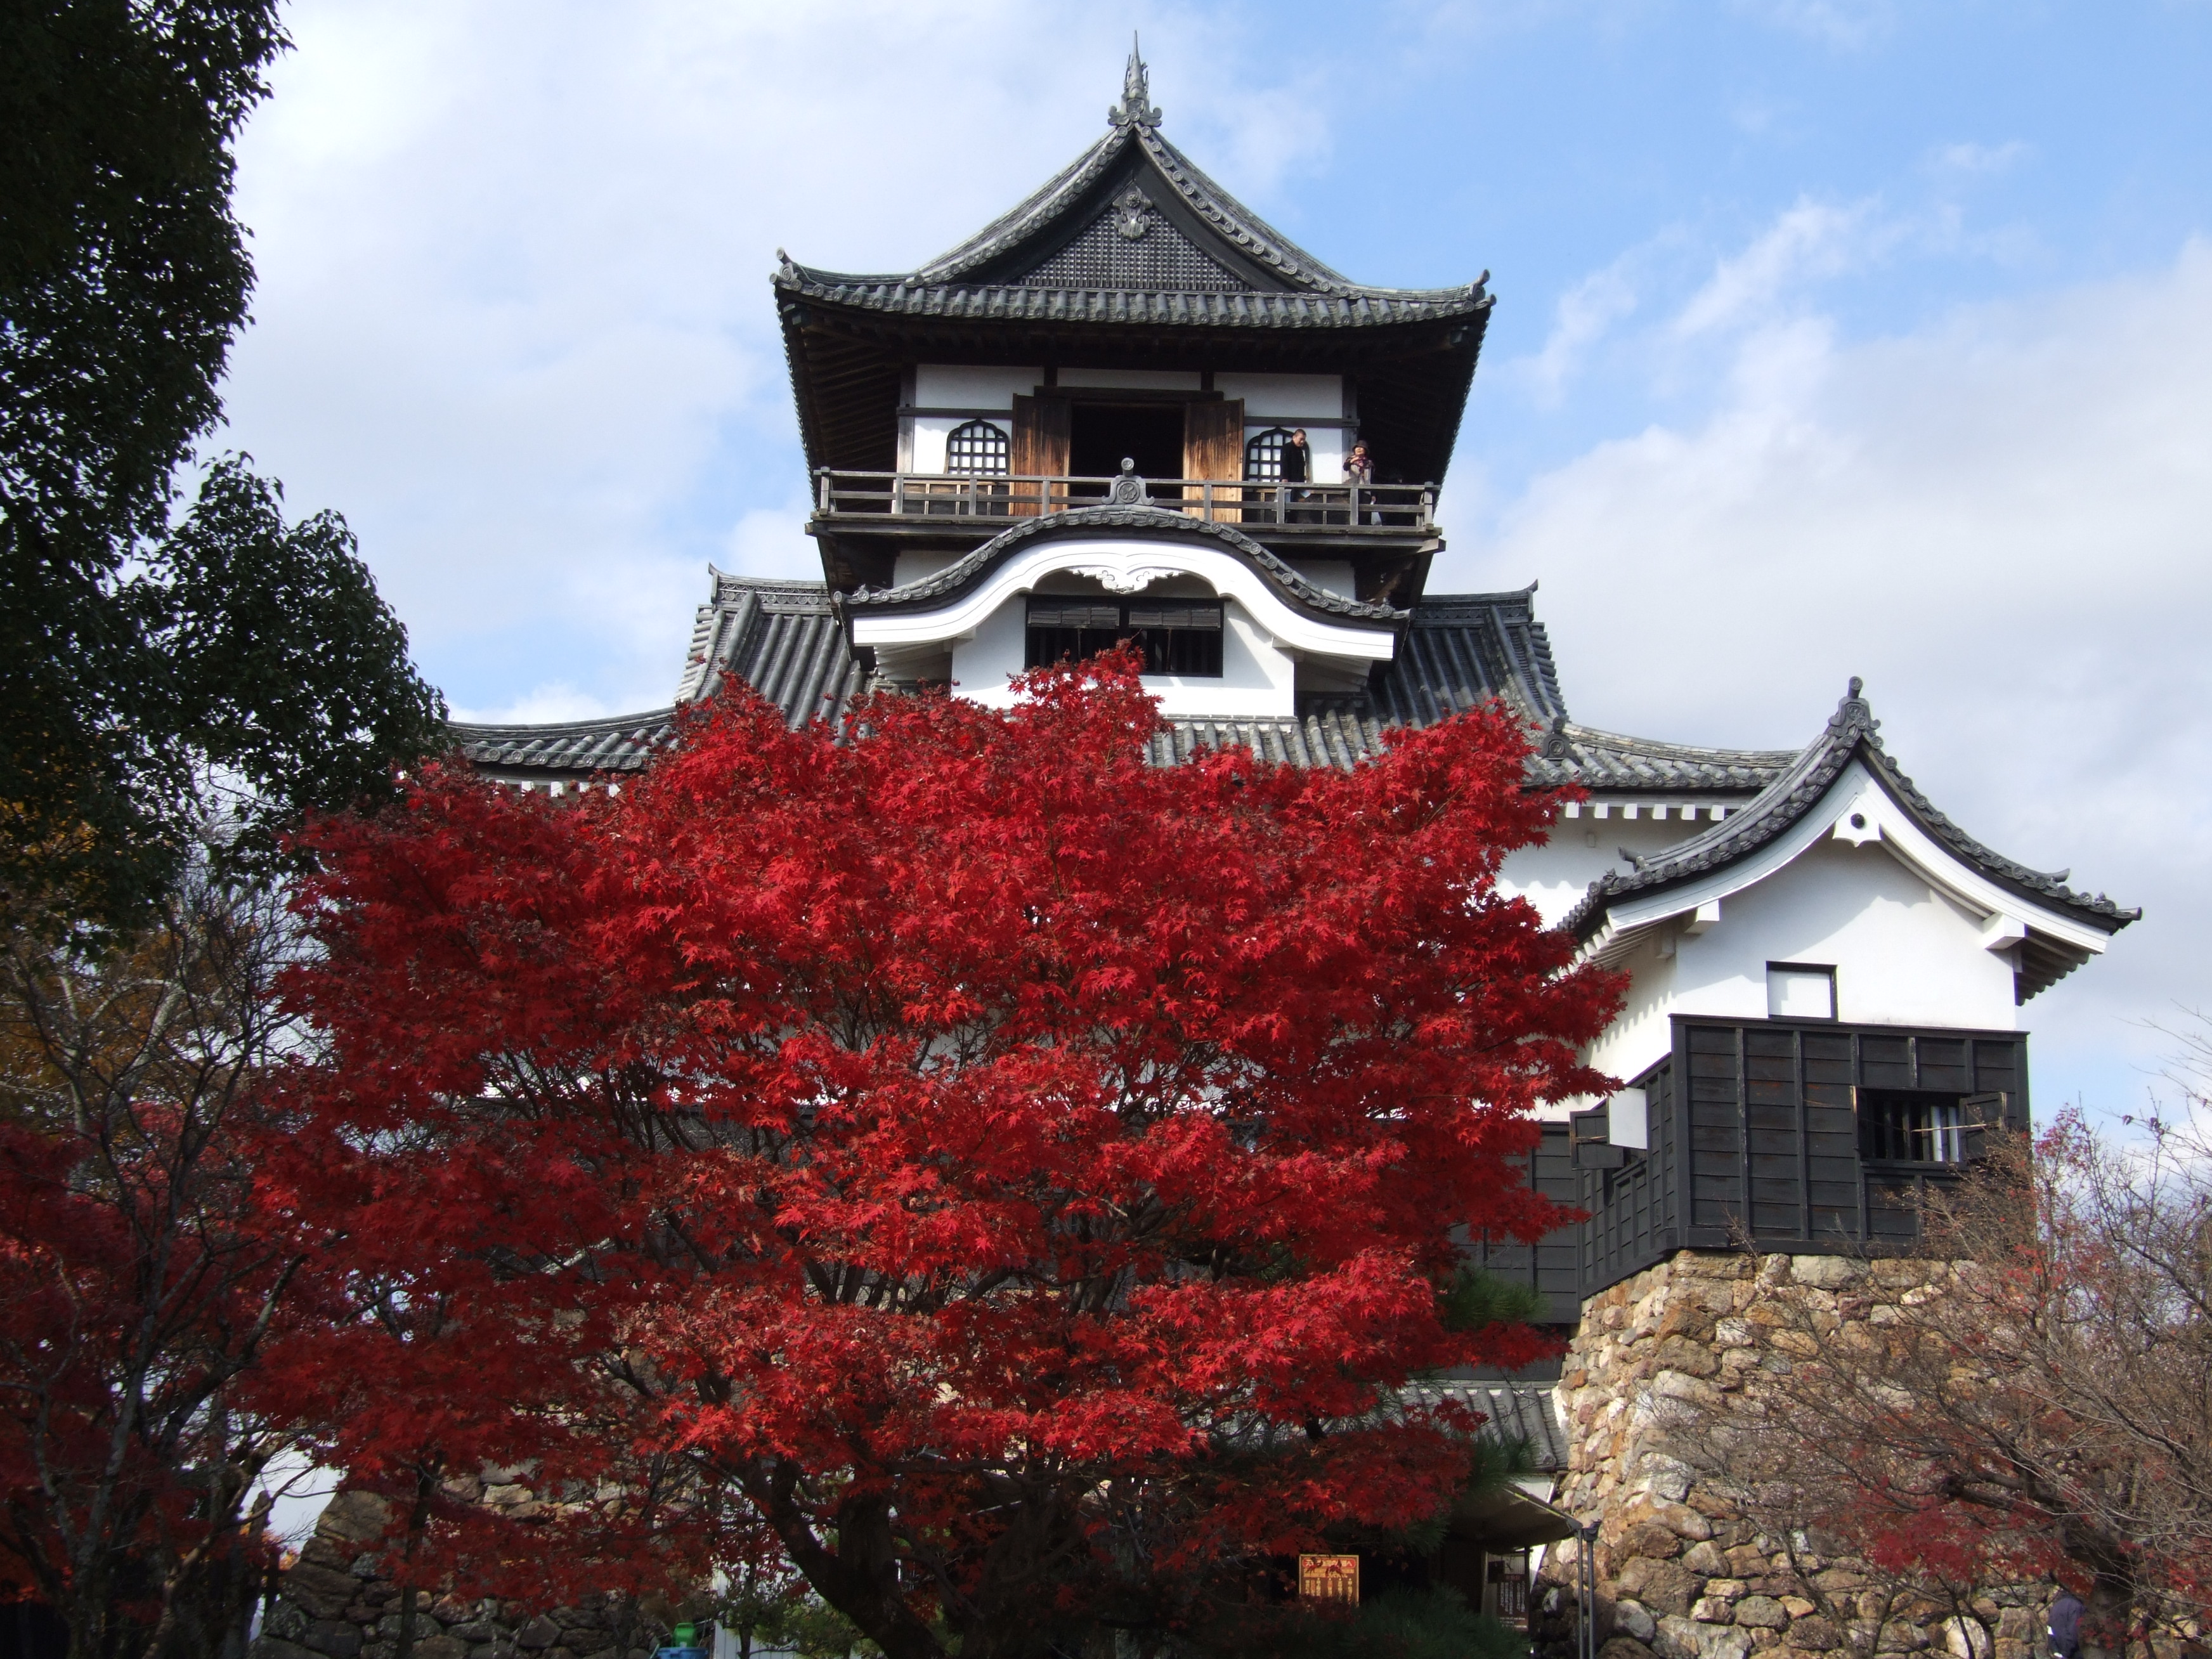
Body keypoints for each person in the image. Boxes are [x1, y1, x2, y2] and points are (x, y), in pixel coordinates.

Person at [1280, 428, 1311, 521]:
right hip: (1288, 481)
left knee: (1294, 506)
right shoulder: (1287, 447)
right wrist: (1284, 478)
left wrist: (1302, 483)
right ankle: (1280, 524)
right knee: (1284, 505)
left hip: (1298, 482)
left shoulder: (1300, 451)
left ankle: (1292, 523)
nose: (1302, 442)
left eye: (1304, 440)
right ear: (1294, 437)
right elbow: (1284, 463)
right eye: (1301, 439)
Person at [2047, 1587, 2085, 1659]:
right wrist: (2065, 1654)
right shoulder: (2076, 1606)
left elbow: (2050, 1631)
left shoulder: (2055, 1607)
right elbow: (2074, 1632)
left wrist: (2056, 1652)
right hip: (2075, 1654)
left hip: (2059, 1652)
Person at [1344, 439, 1374, 523]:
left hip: (1366, 489)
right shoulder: (1350, 460)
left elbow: (1372, 479)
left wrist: (1374, 494)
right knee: (1353, 509)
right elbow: (1345, 467)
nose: (1359, 449)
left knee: (1365, 511)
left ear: (1365, 451)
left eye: (1362, 448)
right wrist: (1353, 461)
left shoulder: (1369, 463)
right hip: (1354, 489)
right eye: (1357, 447)